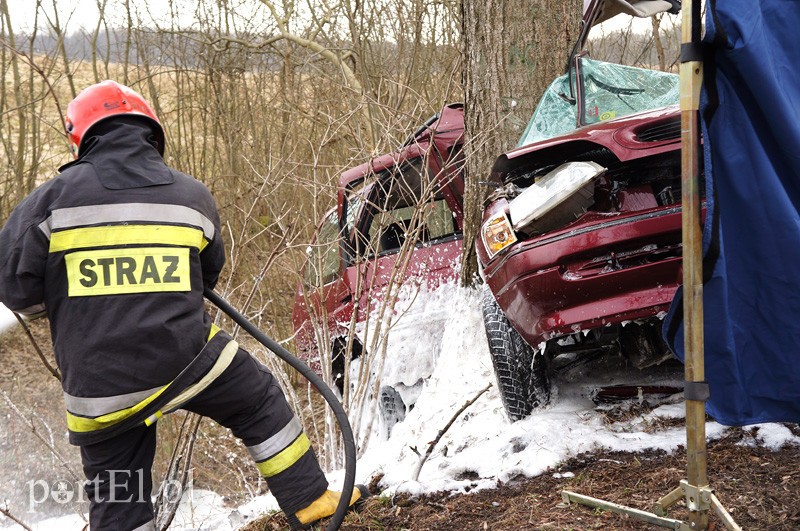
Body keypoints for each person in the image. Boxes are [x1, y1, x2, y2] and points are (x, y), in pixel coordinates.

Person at [0, 80, 365, 530]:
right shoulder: (192, 196)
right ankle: (311, 501)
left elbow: (15, 292)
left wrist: (67, 301)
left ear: (82, 139)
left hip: (99, 388)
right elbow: (206, 276)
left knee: (118, 501)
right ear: (152, 133)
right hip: (187, 360)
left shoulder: (49, 202)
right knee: (256, 402)